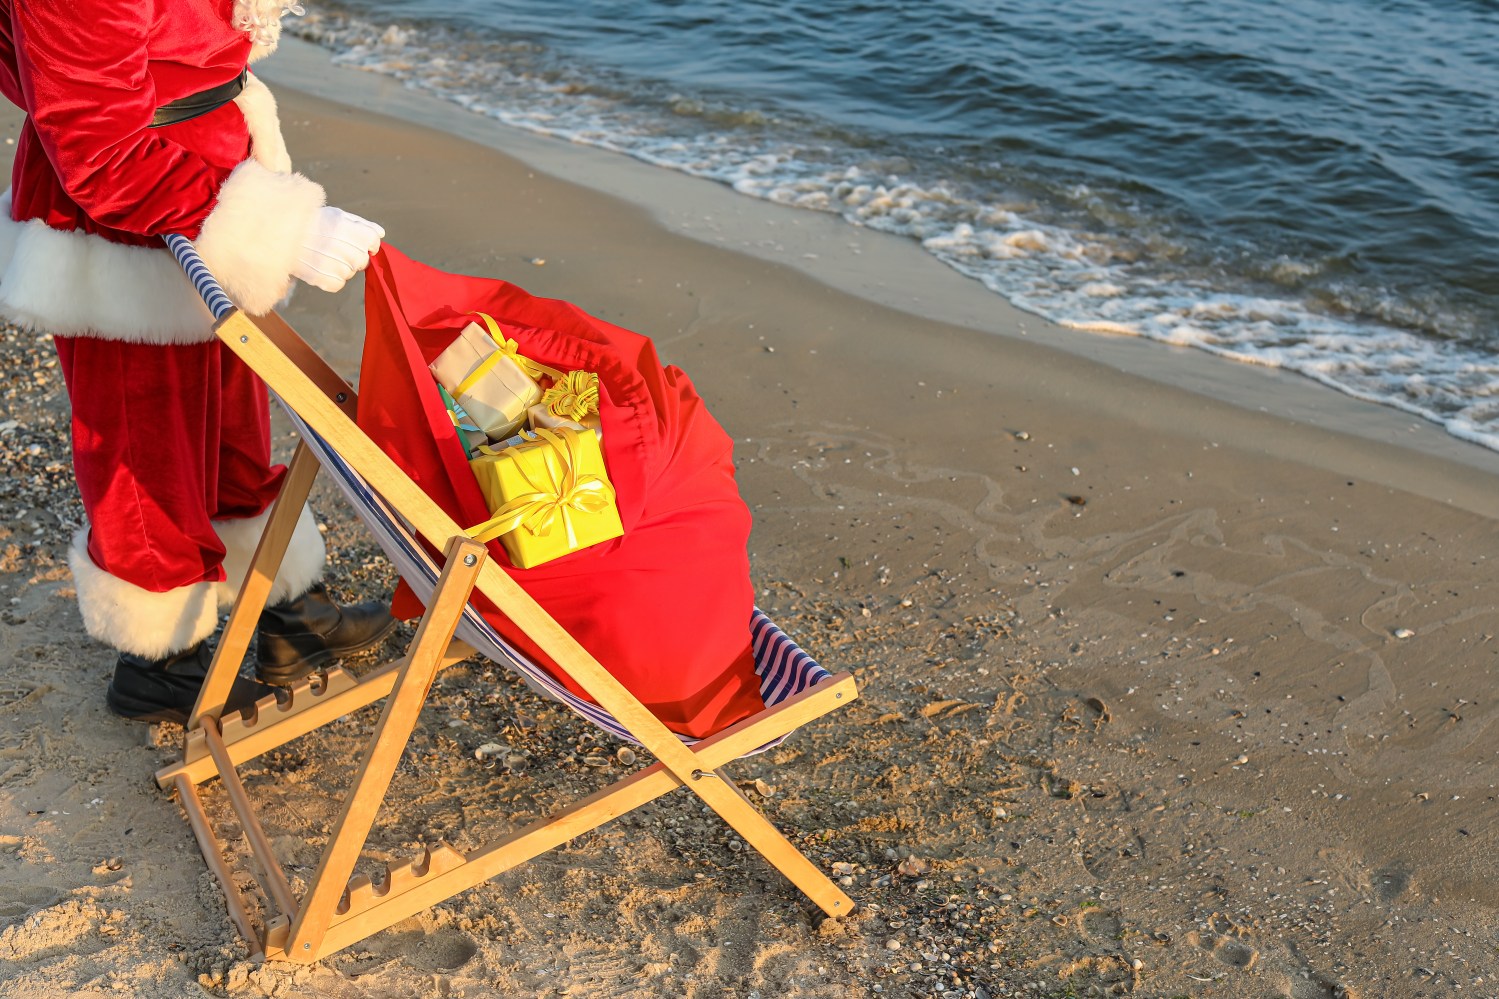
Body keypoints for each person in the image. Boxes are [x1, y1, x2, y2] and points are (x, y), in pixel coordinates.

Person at [0, 0, 395, 723]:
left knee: (232, 420)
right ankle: (161, 660)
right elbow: (97, 147)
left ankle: (281, 606)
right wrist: (289, 228)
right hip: (129, 212)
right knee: (142, 444)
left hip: (211, 180)